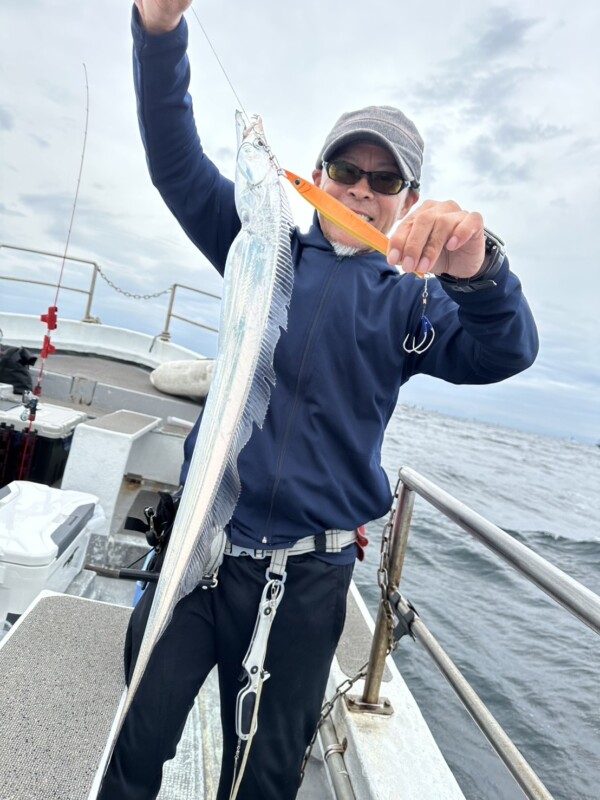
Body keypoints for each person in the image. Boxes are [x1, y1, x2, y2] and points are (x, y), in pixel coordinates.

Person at [98, 3, 539, 799]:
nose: (361, 191)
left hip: (307, 581)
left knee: (264, 779)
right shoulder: (259, 243)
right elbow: (174, 160)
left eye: (386, 179)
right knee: (134, 745)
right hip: (203, 545)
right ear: (318, 174)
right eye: (345, 171)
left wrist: (480, 267)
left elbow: (506, 350)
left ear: (410, 199)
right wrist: (158, 34)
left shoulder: (415, 303)